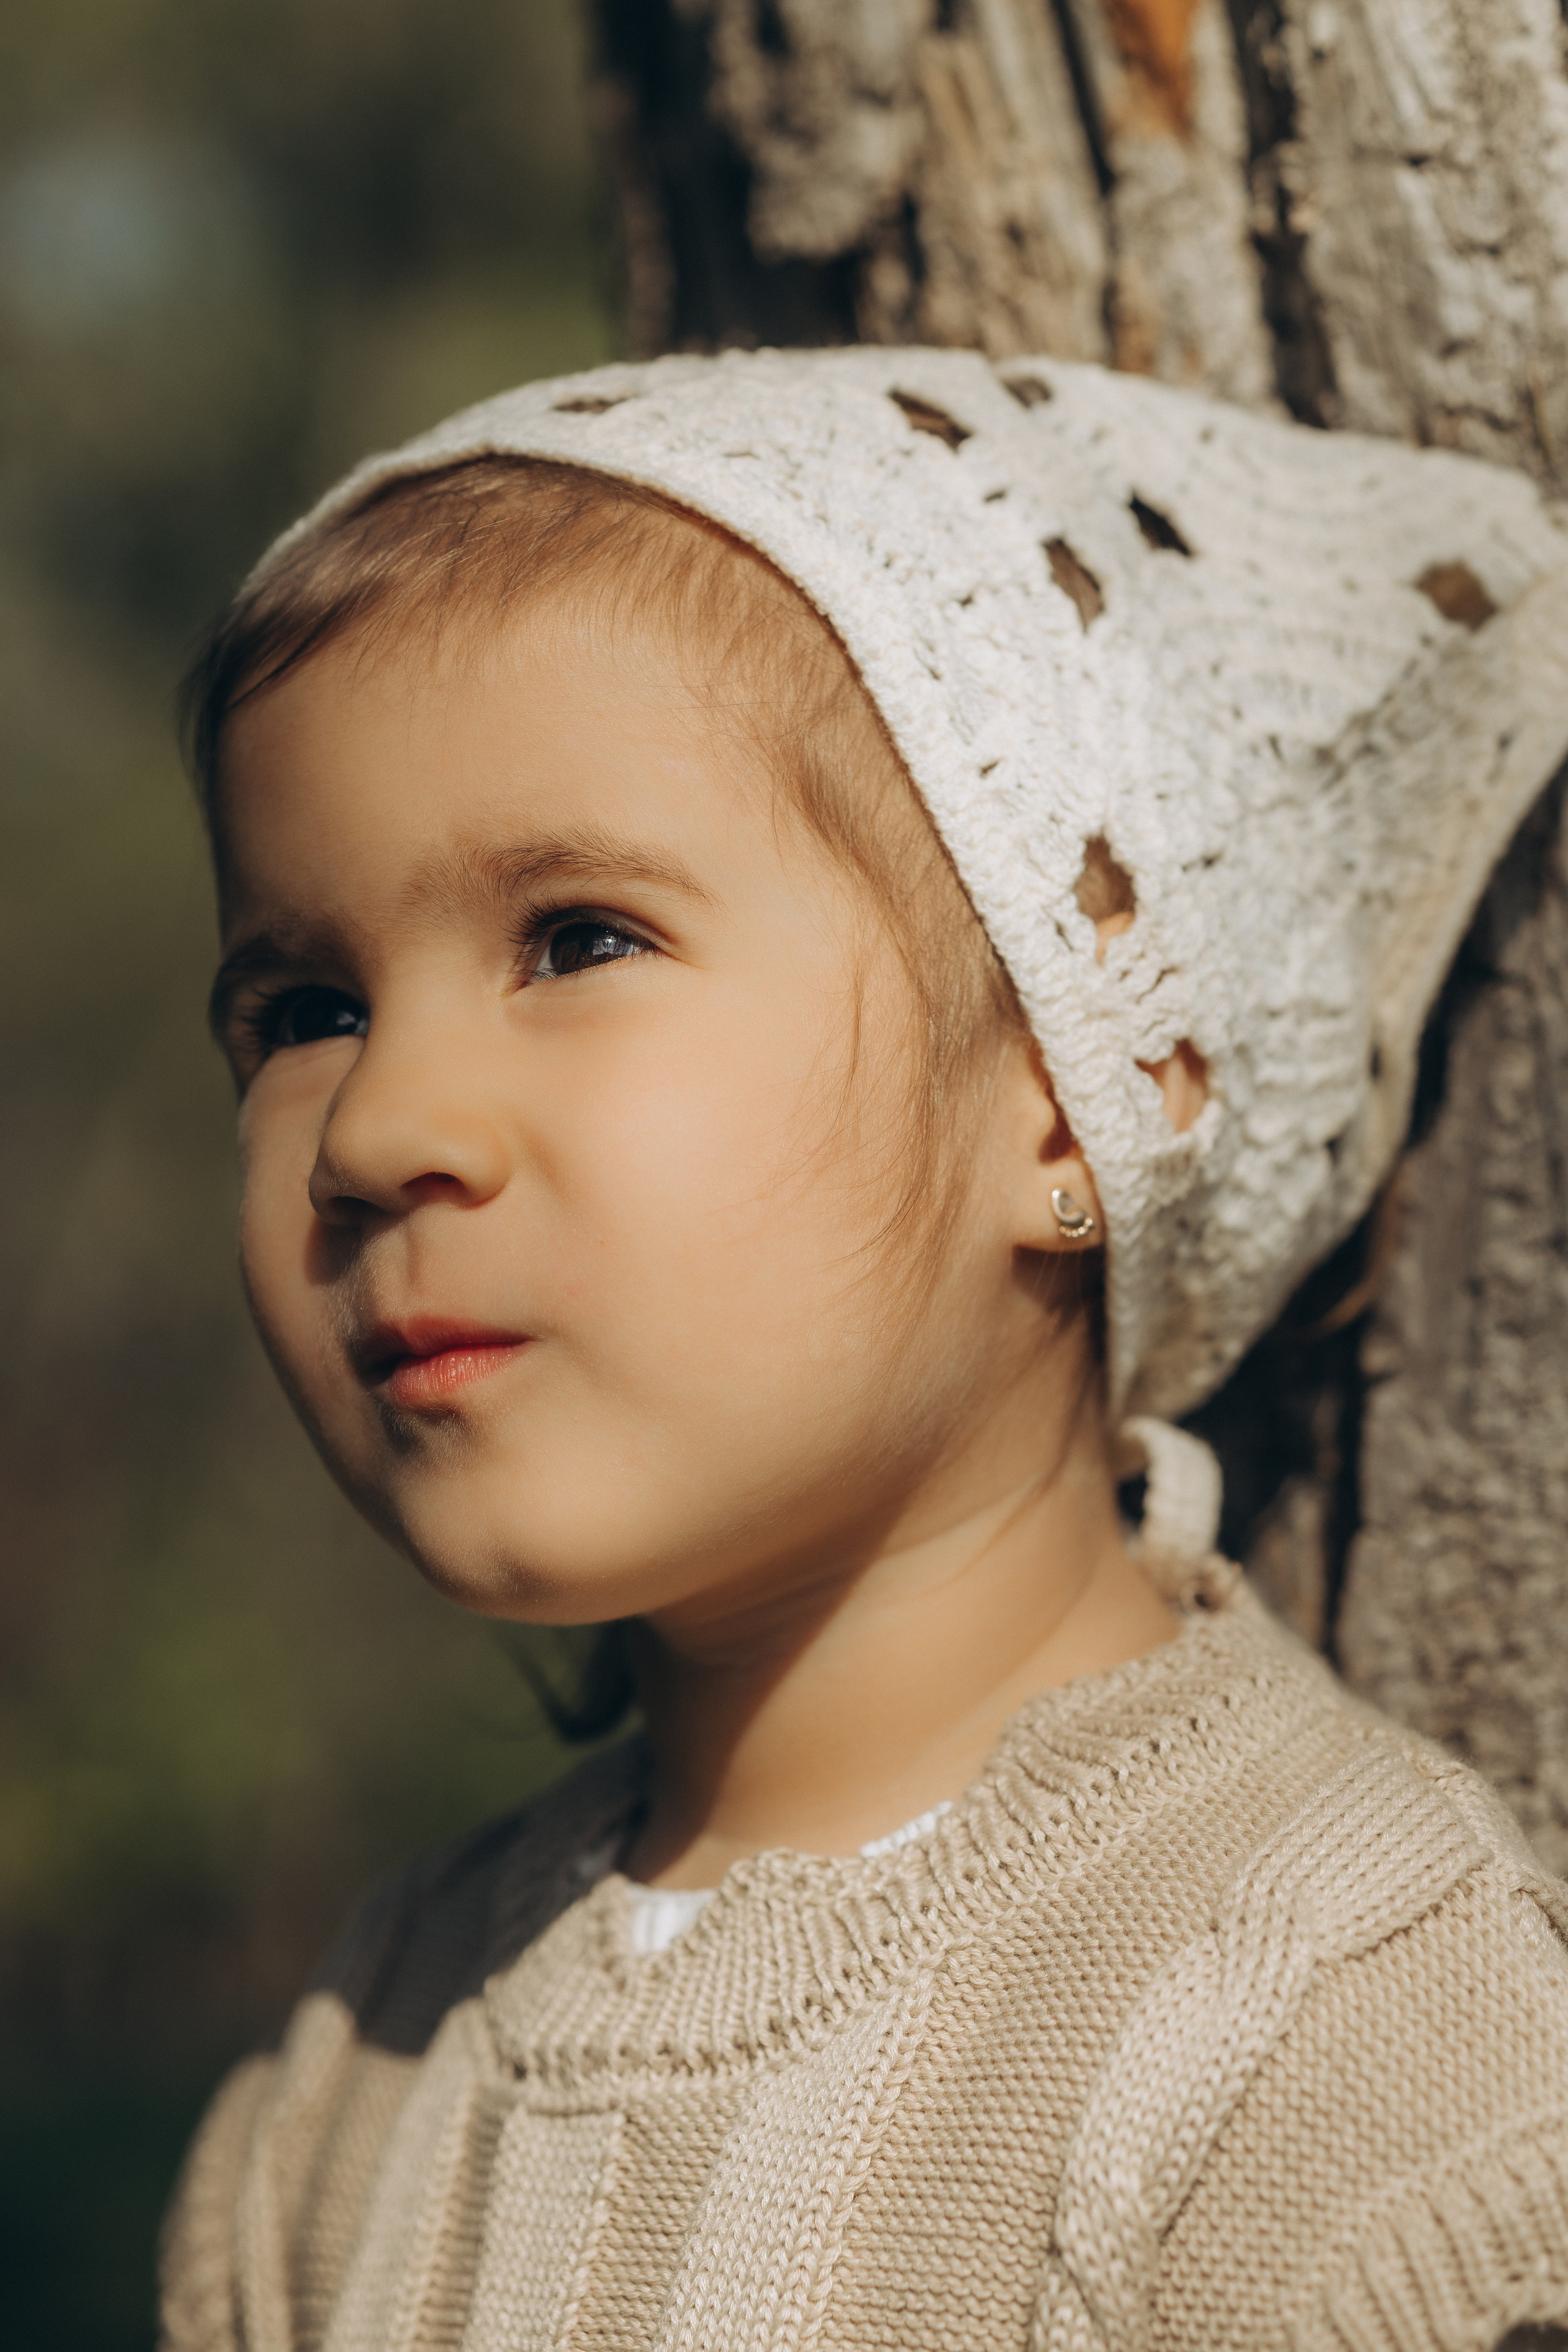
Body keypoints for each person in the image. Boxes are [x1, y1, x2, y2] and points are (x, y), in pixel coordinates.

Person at [160, 346, 1568, 2351]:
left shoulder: (1340, 2037)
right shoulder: (349, 2075)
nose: (383, 1127)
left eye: (578, 940)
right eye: (303, 1008)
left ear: (1078, 1097)